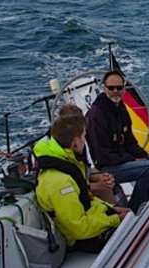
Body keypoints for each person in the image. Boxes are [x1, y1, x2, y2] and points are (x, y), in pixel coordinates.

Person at [35, 105, 130, 253]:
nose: (85, 140)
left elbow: (85, 199)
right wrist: (116, 219)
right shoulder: (60, 182)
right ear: (76, 142)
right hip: (85, 239)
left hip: (92, 219)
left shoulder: (68, 162)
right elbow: (80, 229)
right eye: (84, 136)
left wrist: (113, 209)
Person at [86, 70, 149, 211]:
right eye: (111, 88)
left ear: (124, 88)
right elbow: (103, 156)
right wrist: (133, 159)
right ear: (104, 88)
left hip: (120, 158)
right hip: (105, 167)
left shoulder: (120, 107)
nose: (115, 91)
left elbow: (130, 141)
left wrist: (141, 155)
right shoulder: (96, 115)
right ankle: (135, 210)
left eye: (119, 88)